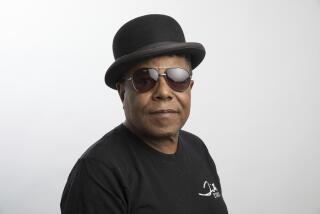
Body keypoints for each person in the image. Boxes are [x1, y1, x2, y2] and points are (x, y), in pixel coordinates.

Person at [60, 14, 228, 214]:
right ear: (123, 93)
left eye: (178, 77)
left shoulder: (197, 148)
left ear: (190, 86)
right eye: (145, 79)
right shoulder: (98, 173)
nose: (164, 92)